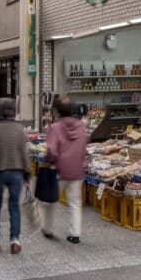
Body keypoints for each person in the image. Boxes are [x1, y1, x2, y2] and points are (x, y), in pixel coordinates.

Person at [0, 97, 31, 254]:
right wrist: (27, 173)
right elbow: (24, 153)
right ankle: (15, 240)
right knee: (14, 206)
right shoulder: (20, 129)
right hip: (16, 172)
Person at [40, 97, 88, 244]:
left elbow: (52, 151)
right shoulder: (81, 126)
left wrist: (47, 159)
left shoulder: (55, 128)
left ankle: (47, 228)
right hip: (77, 170)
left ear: (57, 111)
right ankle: (75, 234)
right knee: (74, 202)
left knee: (49, 201)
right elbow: (85, 145)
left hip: (59, 171)